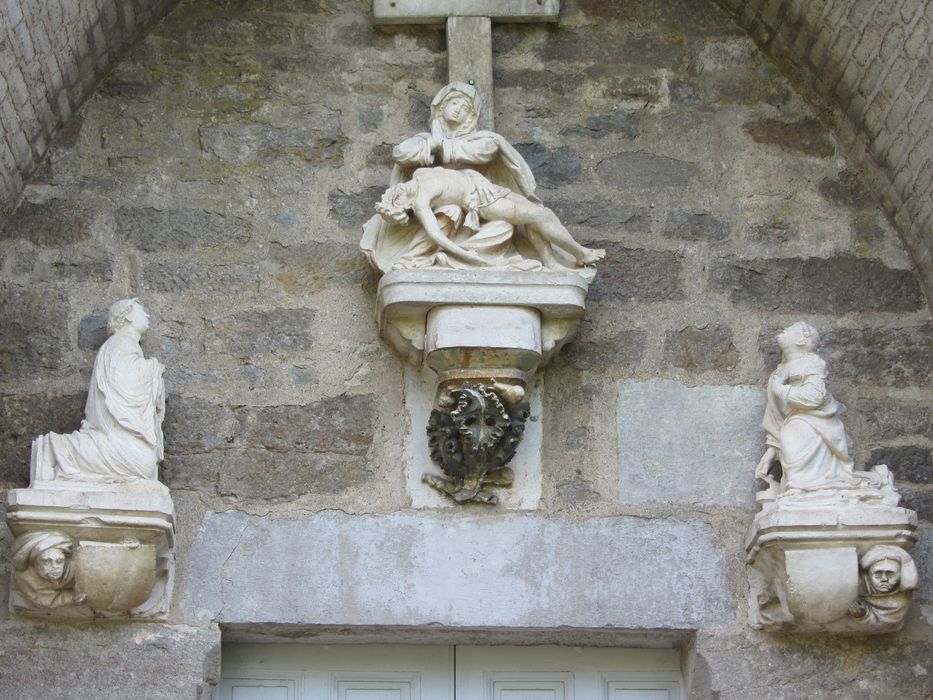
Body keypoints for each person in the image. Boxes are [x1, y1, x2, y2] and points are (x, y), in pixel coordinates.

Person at [361, 82, 587, 274]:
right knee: (452, 211)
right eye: (454, 102)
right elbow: (401, 153)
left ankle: (555, 259)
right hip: (461, 208)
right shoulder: (423, 156)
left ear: (471, 116)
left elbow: (483, 151)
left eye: (465, 106)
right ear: (442, 105)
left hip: (482, 197)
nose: (458, 109)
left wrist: (461, 164)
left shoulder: (482, 139)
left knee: (507, 227)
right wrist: (434, 143)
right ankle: (428, 257)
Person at [755, 322, 896, 503]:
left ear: (801, 340)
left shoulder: (812, 363)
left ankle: (801, 490)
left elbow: (815, 396)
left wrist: (782, 390)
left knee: (808, 466)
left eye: (790, 330)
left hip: (813, 424)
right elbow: (777, 417)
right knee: (795, 451)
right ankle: (800, 488)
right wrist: (771, 453)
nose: (783, 330)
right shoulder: (780, 371)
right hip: (795, 423)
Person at [31, 298, 165, 485]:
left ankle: (66, 451)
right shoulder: (120, 344)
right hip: (117, 431)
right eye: (142, 310)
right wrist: (153, 370)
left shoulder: (124, 345)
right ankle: (56, 447)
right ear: (128, 317)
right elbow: (125, 388)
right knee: (143, 464)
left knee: (145, 464)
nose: (147, 315)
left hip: (119, 432)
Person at [375, 167, 605, 269]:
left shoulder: (420, 174)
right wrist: (465, 255)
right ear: (404, 207)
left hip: (488, 188)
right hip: (484, 204)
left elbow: (462, 173)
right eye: (395, 201)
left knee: (542, 212)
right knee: (538, 215)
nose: (396, 192)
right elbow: (436, 235)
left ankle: (551, 262)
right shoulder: (422, 200)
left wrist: (479, 180)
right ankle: (579, 253)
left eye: (392, 195)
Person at [848, 545, 917, 624]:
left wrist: (863, 615)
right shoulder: (857, 588)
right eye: (878, 574)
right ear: (868, 575)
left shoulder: (901, 601)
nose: (884, 579)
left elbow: (887, 623)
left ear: (900, 575)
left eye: (890, 574)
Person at [11, 531, 80, 609]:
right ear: (34, 563)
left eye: (59, 561)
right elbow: (43, 599)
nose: (55, 567)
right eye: (47, 561)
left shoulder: (73, 567)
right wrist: (72, 597)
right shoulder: (25, 578)